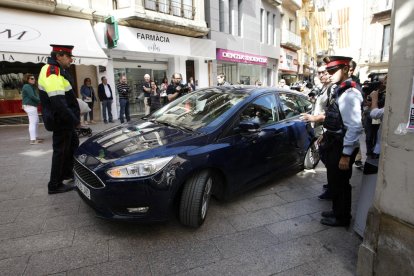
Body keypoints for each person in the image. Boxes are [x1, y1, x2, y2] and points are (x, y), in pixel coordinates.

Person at [318, 56, 363, 227]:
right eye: (328, 71)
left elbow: (354, 127)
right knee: (335, 181)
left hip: (341, 146)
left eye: (332, 71)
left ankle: (342, 217)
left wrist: (346, 154)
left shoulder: (350, 94)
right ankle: (337, 211)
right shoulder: (341, 90)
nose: (329, 74)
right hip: (334, 142)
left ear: (345, 69)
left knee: (341, 183)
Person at [38, 44, 80, 194]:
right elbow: (59, 103)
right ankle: (54, 185)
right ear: (59, 56)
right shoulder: (52, 72)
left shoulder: (56, 70)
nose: (71, 60)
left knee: (72, 146)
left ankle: (68, 173)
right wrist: (74, 120)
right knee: (61, 151)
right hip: (61, 120)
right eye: (69, 57)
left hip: (64, 120)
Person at [300, 64, 333, 200]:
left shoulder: (332, 89)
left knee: (328, 159)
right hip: (319, 128)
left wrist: (313, 117)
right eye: (319, 73)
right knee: (326, 158)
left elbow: (331, 113)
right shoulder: (323, 88)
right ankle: (331, 185)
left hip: (326, 130)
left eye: (323, 72)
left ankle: (332, 189)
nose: (321, 75)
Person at [21, 73, 43, 145]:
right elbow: (32, 96)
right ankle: (33, 140)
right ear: (27, 80)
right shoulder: (27, 86)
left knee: (36, 121)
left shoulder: (30, 86)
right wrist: (40, 101)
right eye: (32, 78)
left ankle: (35, 137)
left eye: (34, 78)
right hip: (30, 106)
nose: (34, 80)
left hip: (31, 106)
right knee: (33, 122)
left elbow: (34, 96)